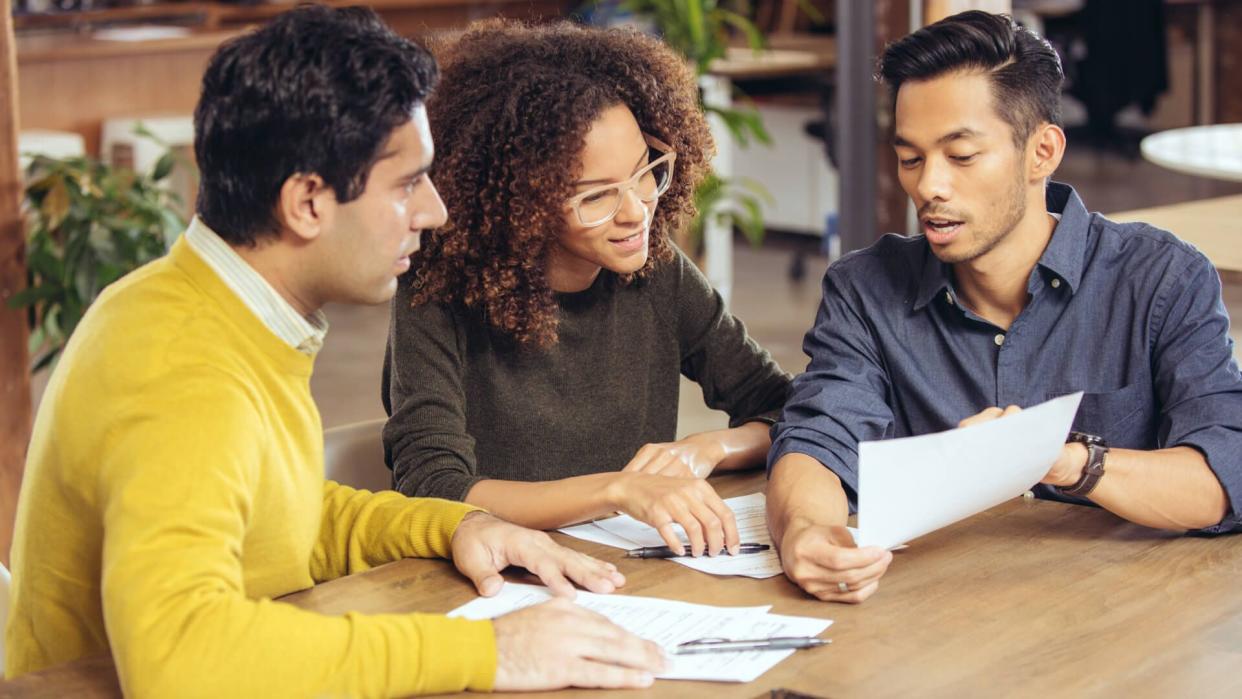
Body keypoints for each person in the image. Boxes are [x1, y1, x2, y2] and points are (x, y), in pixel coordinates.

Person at [6, 6, 666, 695]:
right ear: (308, 203)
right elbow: (180, 657)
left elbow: (276, 518)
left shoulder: (212, 308)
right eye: (408, 184)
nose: (436, 211)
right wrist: (485, 651)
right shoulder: (182, 367)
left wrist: (458, 525)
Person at [766, 10, 1242, 604]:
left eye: (961, 156)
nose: (929, 187)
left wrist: (1060, 461)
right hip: (941, 624)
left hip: (1123, 621)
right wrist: (806, 534)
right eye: (910, 158)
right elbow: (817, 438)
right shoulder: (865, 289)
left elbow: (1224, 474)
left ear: (1042, 151)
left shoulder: (1161, 280)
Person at [382, 20, 791, 558]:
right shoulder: (440, 288)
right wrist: (617, 490)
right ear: (520, 206)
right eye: (595, 197)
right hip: (498, 577)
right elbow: (433, 489)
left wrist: (708, 448)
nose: (636, 211)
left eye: (645, 172)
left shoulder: (656, 272)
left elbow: (786, 408)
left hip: (624, 569)